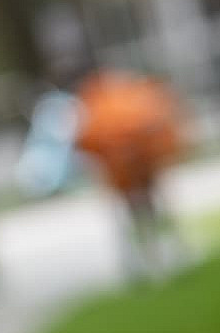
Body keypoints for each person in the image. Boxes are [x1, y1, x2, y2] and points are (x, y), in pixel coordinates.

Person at [69, 64, 190, 280]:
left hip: (127, 171)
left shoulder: (96, 104)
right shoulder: (116, 98)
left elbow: (85, 142)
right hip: (135, 168)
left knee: (138, 215)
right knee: (150, 210)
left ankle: (150, 260)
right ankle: (163, 255)